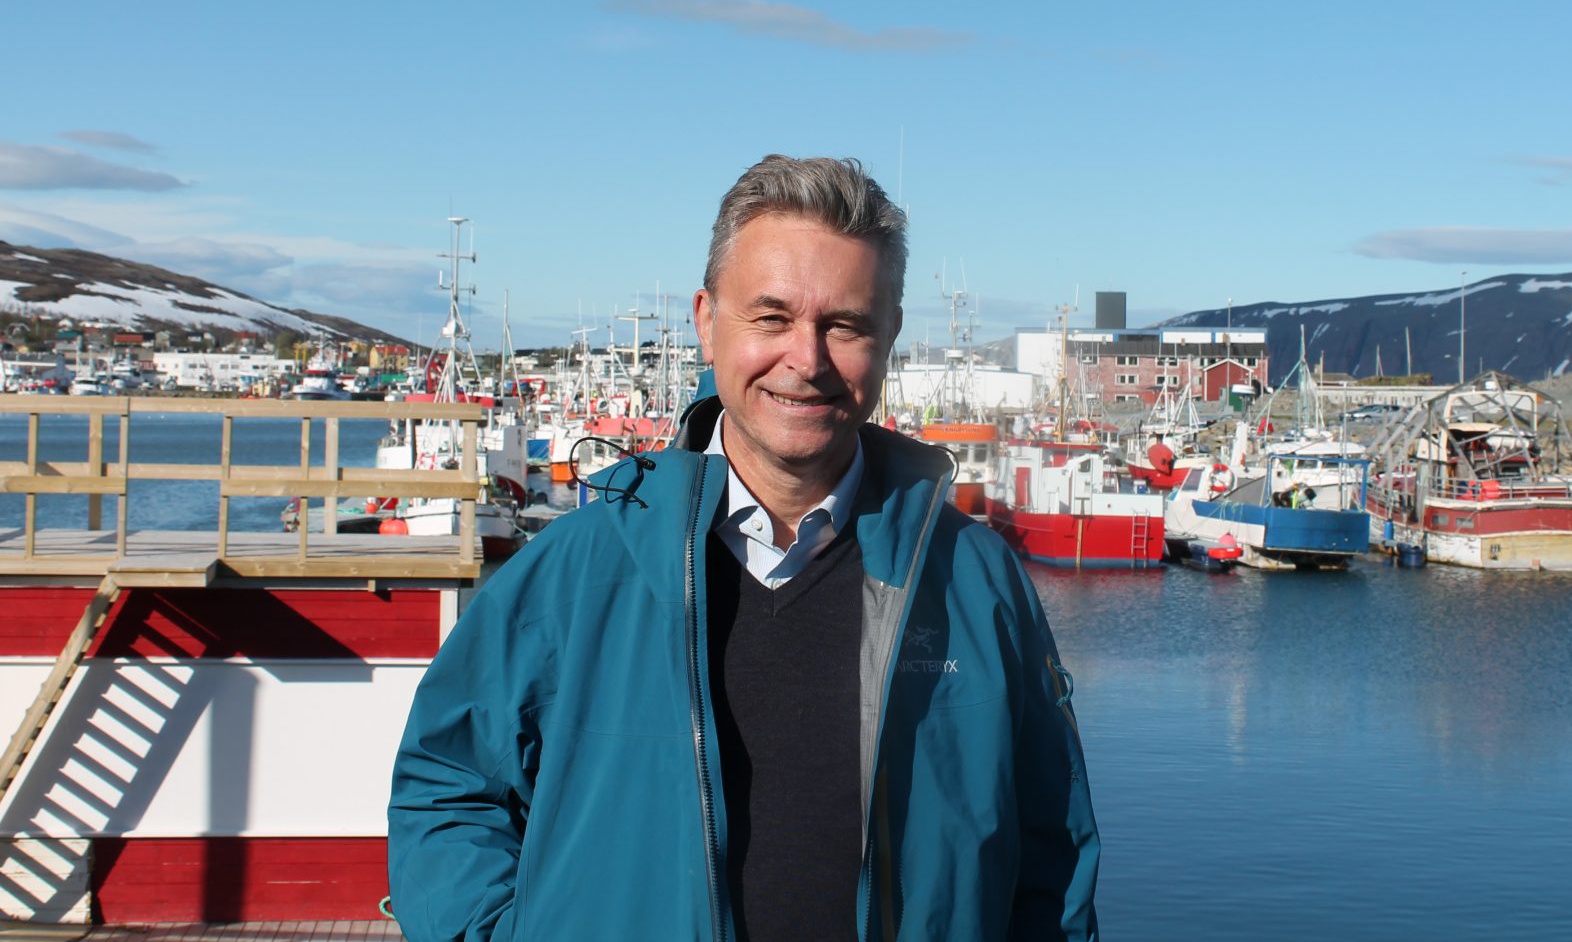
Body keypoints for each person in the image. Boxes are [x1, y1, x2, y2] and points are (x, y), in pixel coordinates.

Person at [389, 155, 1100, 941]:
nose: (807, 360)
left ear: (889, 335)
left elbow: (1054, 849)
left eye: (845, 325)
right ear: (706, 321)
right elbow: (447, 786)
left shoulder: (975, 580)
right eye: (772, 317)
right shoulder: (575, 572)